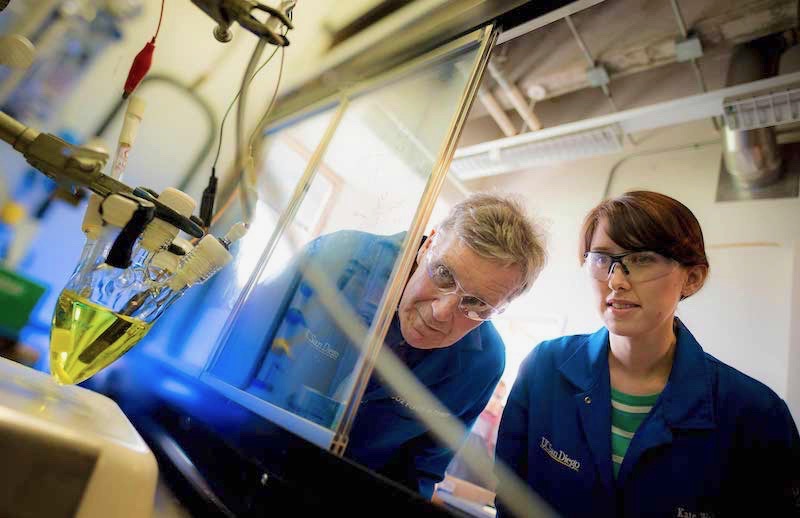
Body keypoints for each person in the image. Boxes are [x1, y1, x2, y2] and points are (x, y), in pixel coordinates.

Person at [217, 192, 547, 499]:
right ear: (427, 245)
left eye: (476, 304)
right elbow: (227, 360)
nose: (440, 312)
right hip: (231, 455)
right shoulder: (337, 259)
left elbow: (417, 477)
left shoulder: (483, 364)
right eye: (444, 273)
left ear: (500, 309)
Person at [495, 190, 800, 517]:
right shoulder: (545, 367)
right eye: (601, 259)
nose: (616, 281)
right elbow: (509, 499)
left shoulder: (756, 415)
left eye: (642, 259)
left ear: (692, 278)